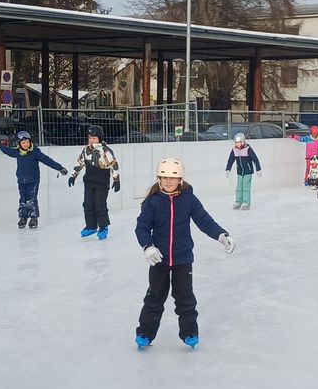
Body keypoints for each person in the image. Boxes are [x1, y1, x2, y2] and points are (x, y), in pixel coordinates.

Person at [134, 157, 236, 350]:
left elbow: (204, 220)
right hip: (159, 259)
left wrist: (222, 236)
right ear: (158, 179)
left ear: (180, 179)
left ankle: (189, 332)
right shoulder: (153, 202)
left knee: (185, 298)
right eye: (163, 178)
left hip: (183, 259)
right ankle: (145, 333)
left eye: (172, 178)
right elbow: (142, 227)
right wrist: (147, 246)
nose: (168, 182)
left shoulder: (188, 199)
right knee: (154, 298)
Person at [0, 130, 68, 228]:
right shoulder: (17, 152)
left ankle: (33, 218)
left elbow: (47, 160)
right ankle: (23, 217)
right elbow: (8, 151)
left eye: (27, 142)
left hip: (33, 180)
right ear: (19, 143)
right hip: (21, 180)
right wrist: (1, 146)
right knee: (23, 199)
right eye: (23, 142)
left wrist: (59, 167)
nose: (26, 144)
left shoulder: (35, 152)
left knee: (31, 199)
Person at [68, 124, 120, 239]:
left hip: (101, 181)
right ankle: (91, 226)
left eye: (94, 138)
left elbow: (114, 165)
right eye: (90, 137)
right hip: (89, 180)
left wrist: (116, 180)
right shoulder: (86, 150)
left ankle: (103, 227)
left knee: (100, 205)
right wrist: (73, 176)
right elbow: (80, 163)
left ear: (99, 138)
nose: (91, 140)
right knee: (87, 204)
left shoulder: (105, 151)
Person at [225, 132, 261, 209]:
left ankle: (246, 203)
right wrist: (228, 169)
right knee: (239, 187)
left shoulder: (248, 149)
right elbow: (230, 160)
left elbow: (255, 159)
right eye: (236, 142)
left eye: (239, 142)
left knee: (245, 187)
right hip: (240, 171)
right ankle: (238, 201)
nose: (237, 144)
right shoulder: (234, 150)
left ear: (243, 141)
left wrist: (258, 169)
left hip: (248, 171)